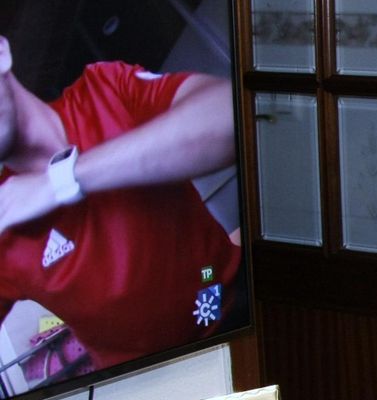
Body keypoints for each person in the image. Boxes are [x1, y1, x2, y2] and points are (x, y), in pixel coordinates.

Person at [0, 34, 242, 375]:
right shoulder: (2, 221)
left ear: (2, 53)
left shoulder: (105, 89)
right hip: (147, 381)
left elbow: (233, 119)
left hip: (233, 310)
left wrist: (61, 180)